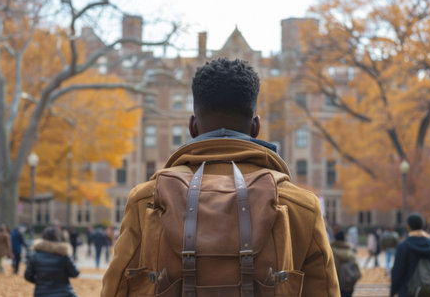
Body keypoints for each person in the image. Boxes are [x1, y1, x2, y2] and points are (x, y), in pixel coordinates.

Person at [101, 58, 339, 296]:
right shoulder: (302, 206)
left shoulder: (146, 201)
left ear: (192, 127)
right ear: (256, 127)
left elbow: (115, 289)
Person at [390, 213, 430, 297]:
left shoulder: (403, 247)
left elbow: (397, 273)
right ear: (422, 226)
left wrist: (393, 291)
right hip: (429, 292)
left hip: (407, 292)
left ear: (408, 226)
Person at [25, 226, 80, 296]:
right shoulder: (63, 254)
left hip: (42, 293)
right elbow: (75, 273)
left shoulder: (35, 255)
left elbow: (27, 275)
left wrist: (40, 282)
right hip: (63, 293)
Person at [331, 228, 360, 297]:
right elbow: (358, 270)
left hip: (336, 284)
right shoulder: (350, 252)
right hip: (349, 284)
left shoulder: (331, 252)